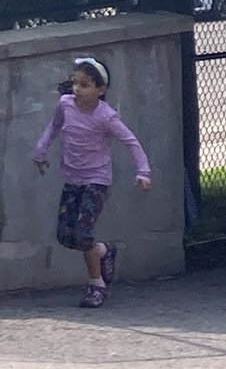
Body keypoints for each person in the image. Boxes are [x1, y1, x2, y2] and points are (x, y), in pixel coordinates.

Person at [32, 57, 151, 309]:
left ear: (100, 89)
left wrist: (143, 171)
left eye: (84, 85)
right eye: (75, 83)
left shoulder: (106, 117)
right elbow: (54, 127)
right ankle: (104, 251)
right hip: (72, 179)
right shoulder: (65, 105)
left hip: (96, 180)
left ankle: (96, 285)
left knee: (83, 233)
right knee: (65, 235)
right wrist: (40, 151)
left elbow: (130, 141)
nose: (77, 89)